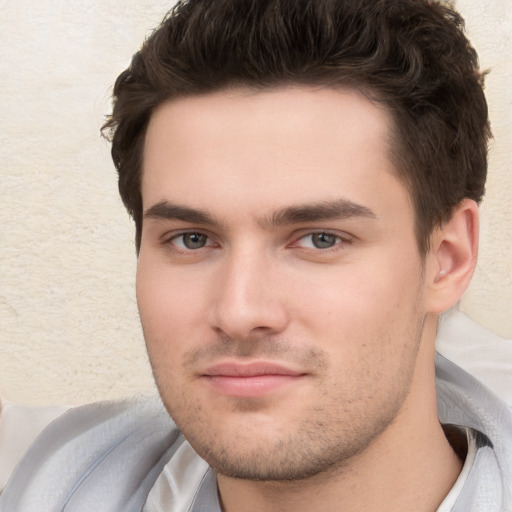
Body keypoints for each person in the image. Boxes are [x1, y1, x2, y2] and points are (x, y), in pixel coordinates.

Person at [1, 0, 510, 510]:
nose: (239, 312)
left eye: (319, 239)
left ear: (448, 259)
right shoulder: (45, 479)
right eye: (192, 239)